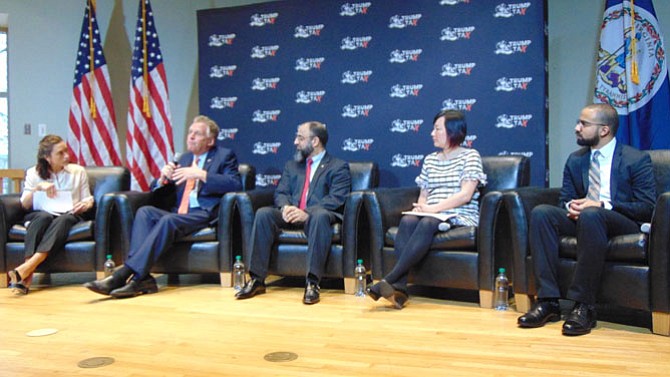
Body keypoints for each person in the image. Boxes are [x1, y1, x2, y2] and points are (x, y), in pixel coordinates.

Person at [517, 103, 656, 336]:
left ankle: (583, 305)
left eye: (584, 124)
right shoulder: (576, 160)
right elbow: (565, 199)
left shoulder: (636, 159)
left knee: (592, 214)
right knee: (542, 213)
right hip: (586, 218)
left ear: (604, 130)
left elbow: (647, 207)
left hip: (621, 221)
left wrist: (602, 205)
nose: (576, 128)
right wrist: (572, 206)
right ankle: (549, 300)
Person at [84, 115, 242, 298]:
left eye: (197, 134)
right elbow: (158, 192)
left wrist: (202, 175)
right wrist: (162, 179)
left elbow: (235, 184)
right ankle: (141, 279)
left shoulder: (224, 156)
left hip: (203, 212)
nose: (190, 136)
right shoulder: (183, 158)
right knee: (144, 212)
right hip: (179, 211)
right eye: (190, 132)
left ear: (210, 140)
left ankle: (125, 274)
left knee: (168, 220)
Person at [365, 110, 487, 309]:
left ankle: (391, 278)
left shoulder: (470, 156)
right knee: (408, 220)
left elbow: (465, 194)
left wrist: (434, 209)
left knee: (429, 221)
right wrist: (422, 207)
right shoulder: (430, 159)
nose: (432, 133)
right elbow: (424, 194)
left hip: (460, 213)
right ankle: (400, 288)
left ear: (453, 131)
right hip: (432, 211)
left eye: (438, 129)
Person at [235, 121, 351, 304]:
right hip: (292, 214)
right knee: (264, 214)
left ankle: (313, 283)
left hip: (319, 215)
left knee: (319, 217)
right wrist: (286, 208)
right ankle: (257, 279)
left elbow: (337, 197)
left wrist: (307, 212)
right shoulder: (292, 166)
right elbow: (281, 192)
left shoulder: (337, 166)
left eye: (300, 137)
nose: (295, 142)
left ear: (315, 141)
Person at [8, 135, 94, 295]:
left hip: (69, 214)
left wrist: (86, 204)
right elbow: (24, 204)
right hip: (40, 214)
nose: (67, 156)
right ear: (47, 158)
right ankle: (27, 271)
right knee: (43, 217)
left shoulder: (78, 171)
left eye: (66, 151)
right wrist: (37, 188)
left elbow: (87, 198)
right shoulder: (33, 173)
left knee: (64, 219)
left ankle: (27, 269)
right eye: (61, 153)